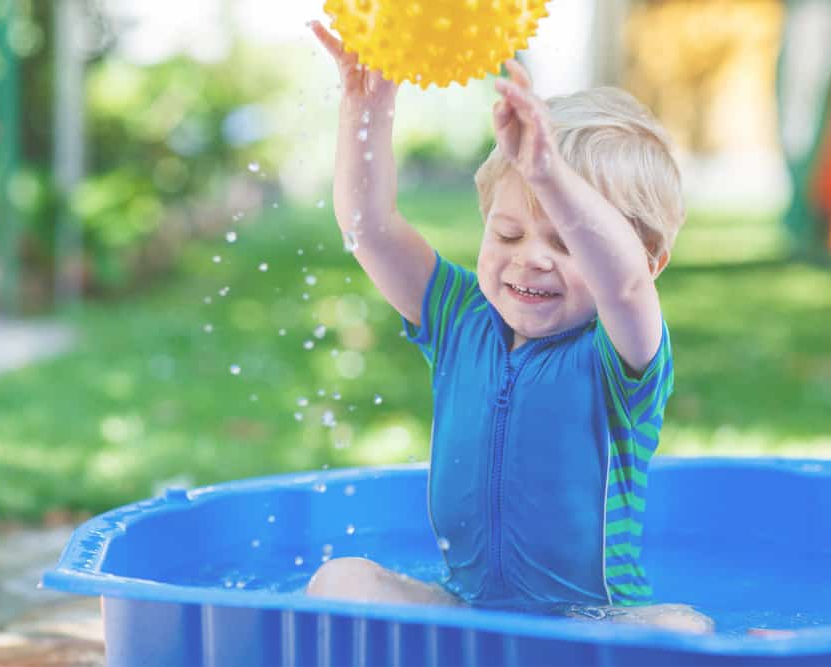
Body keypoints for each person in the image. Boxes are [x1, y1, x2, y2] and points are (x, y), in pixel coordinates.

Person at [304, 21, 713, 635]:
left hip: (591, 622)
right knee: (341, 580)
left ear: (651, 260)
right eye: (508, 233)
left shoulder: (620, 353)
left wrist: (550, 175)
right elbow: (371, 227)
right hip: (468, 616)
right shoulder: (459, 318)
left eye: (566, 240)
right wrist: (367, 109)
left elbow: (623, 283)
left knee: (680, 630)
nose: (532, 258)